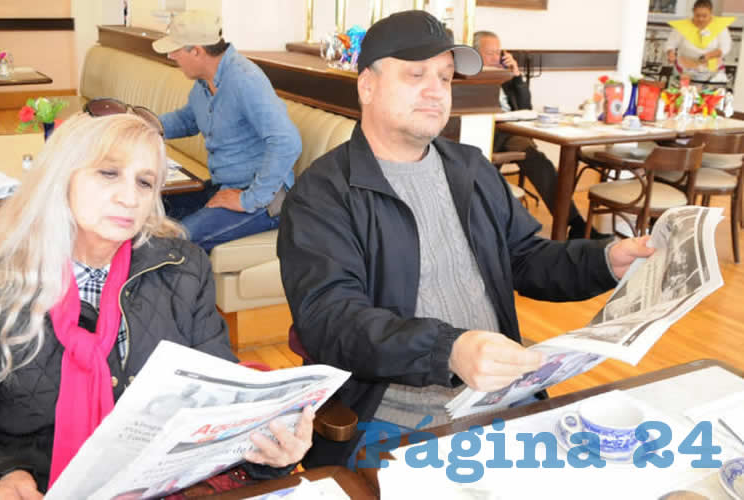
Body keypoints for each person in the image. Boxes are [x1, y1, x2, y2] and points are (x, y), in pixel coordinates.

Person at [276, 10, 655, 468]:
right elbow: (331, 320)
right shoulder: (323, 194)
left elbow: (526, 258)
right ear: (367, 86)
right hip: (394, 423)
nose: (436, 90)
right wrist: (448, 349)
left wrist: (607, 260)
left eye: (446, 77)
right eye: (416, 74)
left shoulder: (470, 168)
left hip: (506, 402)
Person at [0, 108, 313, 500]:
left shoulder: (183, 270)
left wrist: (269, 449)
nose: (129, 198)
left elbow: (219, 406)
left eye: (144, 182)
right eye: (108, 173)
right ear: (61, 177)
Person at [152, 10, 302, 252]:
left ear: (196, 50)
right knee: (147, 209)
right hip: (224, 187)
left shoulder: (245, 79)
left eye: (175, 50)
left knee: (173, 242)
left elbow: (287, 141)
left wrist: (247, 200)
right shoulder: (203, 83)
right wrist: (145, 125)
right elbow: (188, 120)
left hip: (263, 202)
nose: (171, 56)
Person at [473, 30, 606, 240]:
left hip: (511, 131)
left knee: (537, 160)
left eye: (499, 52)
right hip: (489, 134)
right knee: (530, 156)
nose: (496, 58)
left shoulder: (505, 76)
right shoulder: (471, 77)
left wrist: (516, 75)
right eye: (490, 53)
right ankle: (573, 223)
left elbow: (525, 106)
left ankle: (574, 223)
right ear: (474, 53)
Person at [665, 0, 734, 83]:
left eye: (704, 16)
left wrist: (710, 55)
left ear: (711, 13)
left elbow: (725, 47)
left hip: (712, 71)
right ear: (693, 12)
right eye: (697, 15)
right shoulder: (682, 26)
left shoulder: (720, 27)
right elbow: (670, 44)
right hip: (685, 70)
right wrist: (671, 54)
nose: (701, 19)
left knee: (709, 94)